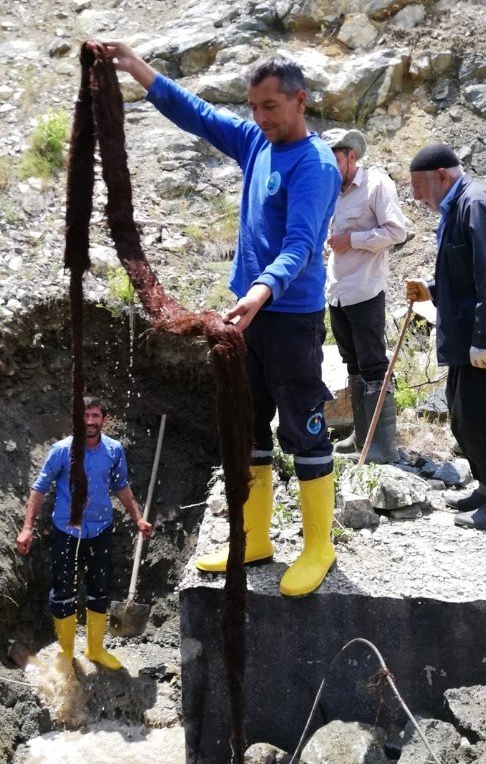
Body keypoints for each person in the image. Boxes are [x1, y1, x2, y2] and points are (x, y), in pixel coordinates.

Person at [102, 42, 342, 597]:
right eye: (253, 107)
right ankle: (253, 538)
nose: (259, 117)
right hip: (248, 316)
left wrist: (261, 290)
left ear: (300, 100)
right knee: (247, 423)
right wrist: (138, 68)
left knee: (303, 427)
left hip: (291, 320)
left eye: (270, 107)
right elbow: (200, 116)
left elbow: (302, 245)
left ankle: (319, 546)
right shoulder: (257, 142)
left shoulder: (315, 164)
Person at [16, 396, 152, 668]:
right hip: (66, 531)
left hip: (101, 530)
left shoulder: (114, 450)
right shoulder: (61, 451)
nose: (90, 421)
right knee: (63, 590)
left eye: (95, 416)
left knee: (99, 589)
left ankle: (95, 649)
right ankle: (66, 653)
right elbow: (39, 488)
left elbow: (121, 485)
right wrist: (27, 528)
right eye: (85, 416)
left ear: (104, 420)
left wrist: (138, 518)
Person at [406, 143, 486, 531]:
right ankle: (485, 487)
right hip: (463, 337)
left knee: (482, 418)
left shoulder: (476, 203)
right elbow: (462, 275)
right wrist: (430, 289)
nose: (415, 197)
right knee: (462, 417)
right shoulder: (456, 208)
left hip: (481, 339)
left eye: (418, 187)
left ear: (441, 176)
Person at [321, 127, 407, 462]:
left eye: (333, 160)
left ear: (351, 156)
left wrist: (352, 240)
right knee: (353, 365)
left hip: (366, 289)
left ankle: (382, 447)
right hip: (338, 291)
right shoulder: (331, 192)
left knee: (373, 366)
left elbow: (396, 231)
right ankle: (362, 438)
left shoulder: (376, 184)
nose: (328, 167)